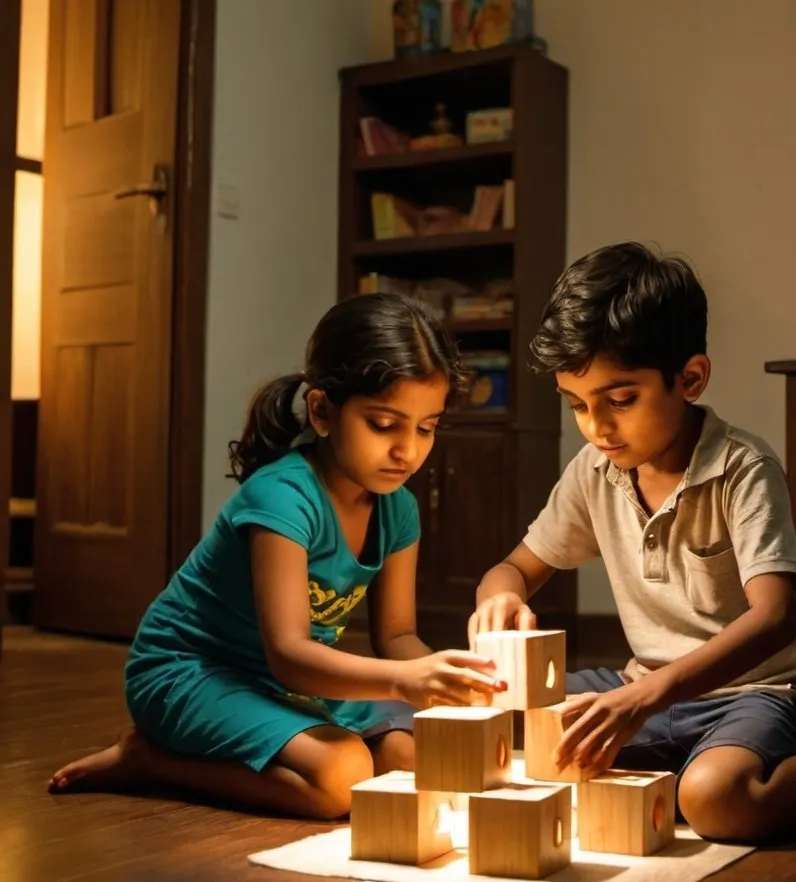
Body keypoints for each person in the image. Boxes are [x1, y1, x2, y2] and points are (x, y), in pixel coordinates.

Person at [468, 242, 796, 843]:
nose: (598, 426)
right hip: (644, 687)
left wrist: (646, 696)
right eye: (577, 405)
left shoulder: (743, 468)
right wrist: (500, 598)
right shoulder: (594, 470)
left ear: (690, 378)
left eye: (620, 400)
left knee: (715, 800)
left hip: (763, 693)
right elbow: (514, 568)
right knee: (487, 713)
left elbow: (774, 619)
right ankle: (668, 762)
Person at [50, 294, 505, 818]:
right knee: (341, 778)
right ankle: (149, 758)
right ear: (322, 411)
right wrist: (405, 681)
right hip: (191, 671)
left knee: (415, 753)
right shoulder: (282, 496)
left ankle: (259, 741)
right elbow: (288, 652)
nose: (408, 450)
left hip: (285, 679)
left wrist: (447, 678)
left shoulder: (397, 509)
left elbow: (396, 636)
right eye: (384, 425)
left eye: (426, 428)